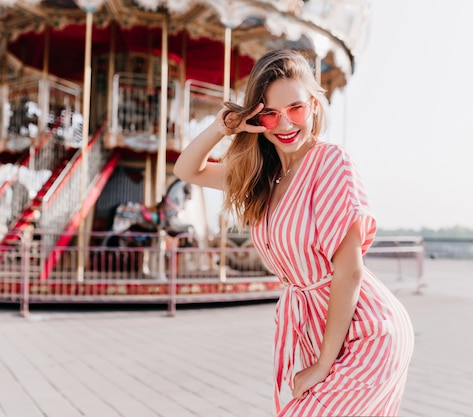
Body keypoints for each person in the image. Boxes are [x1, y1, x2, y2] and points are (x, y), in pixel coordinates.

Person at [174, 49, 414, 417]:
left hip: (369, 334)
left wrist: (322, 364)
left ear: (315, 106)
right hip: (321, 333)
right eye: (270, 114)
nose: (285, 124)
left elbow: (349, 272)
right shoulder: (263, 178)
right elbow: (187, 169)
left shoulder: (331, 161)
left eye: (296, 109)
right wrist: (225, 126)